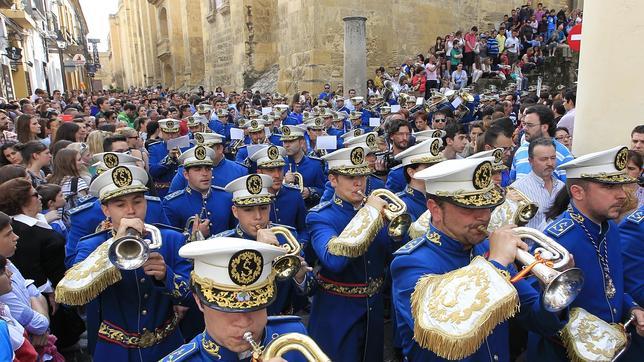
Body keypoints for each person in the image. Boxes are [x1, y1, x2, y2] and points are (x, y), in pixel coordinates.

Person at [391, 157, 566, 361]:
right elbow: (443, 334)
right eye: (469, 209)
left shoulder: (486, 248)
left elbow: (535, 317)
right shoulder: (411, 262)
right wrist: (496, 264)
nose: (483, 216)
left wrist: (552, 287)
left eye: (488, 206)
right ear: (435, 209)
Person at [62, 164, 192, 361]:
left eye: (138, 202)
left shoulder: (171, 239)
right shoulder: (92, 245)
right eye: (120, 205)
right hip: (115, 351)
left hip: (167, 347)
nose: (131, 211)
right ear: (106, 209)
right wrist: (112, 247)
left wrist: (167, 275)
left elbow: (192, 297)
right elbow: (70, 293)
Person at [531, 146, 644, 361]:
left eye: (621, 185)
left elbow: (611, 287)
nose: (622, 194)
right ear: (578, 192)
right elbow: (540, 314)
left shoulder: (609, 228)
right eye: (609, 186)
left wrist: (632, 308)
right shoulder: (557, 240)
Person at [306, 146, 397, 361]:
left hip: (372, 308)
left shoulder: (376, 210)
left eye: (362, 176)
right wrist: (369, 215)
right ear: (333, 179)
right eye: (350, 177)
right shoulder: (320, 217)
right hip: (337, 311)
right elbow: (334, 260)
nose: (359, 183)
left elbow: (392, 256)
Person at [161, 237, 311, 362]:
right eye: (228, 310)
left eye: (255, 307)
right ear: (199, 302)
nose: (244, 322)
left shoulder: (293, 335)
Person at [163, 145, 234, 240]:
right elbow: (169, 242)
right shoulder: (173, 203)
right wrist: (192, 235)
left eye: (208, 169)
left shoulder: (226, 197)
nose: (205, 173)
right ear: (186, 175)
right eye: (198, 169)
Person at [249, 145, 308, 242]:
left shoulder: (294, 195)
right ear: (259, 172)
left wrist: (299, 247)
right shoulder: (251, 199)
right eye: (271, 170)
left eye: (280, 169)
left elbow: (304, 229)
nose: (277, 175)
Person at [510, 137, 565, 231]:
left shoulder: (562, 187)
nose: (550, 163)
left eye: (553, 158)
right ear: (530, 161)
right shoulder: (517, 189)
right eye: (544, 159)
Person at [511, 105, 574, 182]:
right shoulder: (521, 150)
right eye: (525, 124)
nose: (525, 128)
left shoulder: (563, 153)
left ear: (544, 127)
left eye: (530, 125)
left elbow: (567, 187)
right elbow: (512, 180)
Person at [395, 138, 445, 219]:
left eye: (436, 165)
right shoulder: (401, 205)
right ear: (411, 172)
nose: (435, 170)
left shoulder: (440, 197)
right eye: (429, 166)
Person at [280, 125, 325, 208]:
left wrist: (310, 191)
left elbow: (323, 190)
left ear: (301, 142)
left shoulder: (315, 164)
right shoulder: (280, 164)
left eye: (291, 141)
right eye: (284, 141)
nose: (286, 145)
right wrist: (284, 183)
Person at [148, 119, 183, 197]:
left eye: (173, 133)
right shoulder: (154, 147)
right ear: (161, 132)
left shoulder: (187, 146)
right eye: (167, 133)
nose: (170, 136)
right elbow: (153, 171)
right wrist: (169, 158)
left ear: (178, 132)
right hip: (163, 192)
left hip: (183, 191)